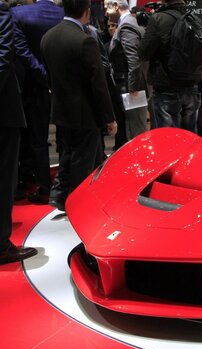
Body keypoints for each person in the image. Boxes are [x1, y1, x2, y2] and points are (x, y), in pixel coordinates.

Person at [40, 0, 117, 210]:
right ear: (87, 12)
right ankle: (79, 204)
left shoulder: (48, 37)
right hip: (85, 113)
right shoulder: (85, 40)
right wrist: (109, 118)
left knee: (67, 154)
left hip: (60, 110)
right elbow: (98, 84)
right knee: (82, 161)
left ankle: (59, 197)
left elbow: (49, 76)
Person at [11, 0, 63, 205]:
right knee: (65, 135)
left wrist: (43, 75)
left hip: (32, 85)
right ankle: (61, 184)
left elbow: (22, 51)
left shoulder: (19, 14)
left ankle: (42, 186)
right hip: (62, 82)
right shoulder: (61, 13)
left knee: (36, 139)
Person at [0, 0, 38, 264]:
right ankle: (1, 245)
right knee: (3, 177)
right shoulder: (2, 10)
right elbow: (3, 56)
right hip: (2, 112)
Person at [138, 0, 202, 133]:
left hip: (166, 86)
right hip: (192, 85)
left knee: (169, 138)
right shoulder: (195, 19)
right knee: (190, 136)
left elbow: (143, 53)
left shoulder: (159, 19)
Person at [108, 0, 148, 141]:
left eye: (108, 6)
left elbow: (133, 60)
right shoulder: (130, 22)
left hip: (132, 87)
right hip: (131, 85)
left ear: (116, 6)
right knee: (134, 127)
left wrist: (133, 87)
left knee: (137, 129)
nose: (106, 11)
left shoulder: (127, 25)